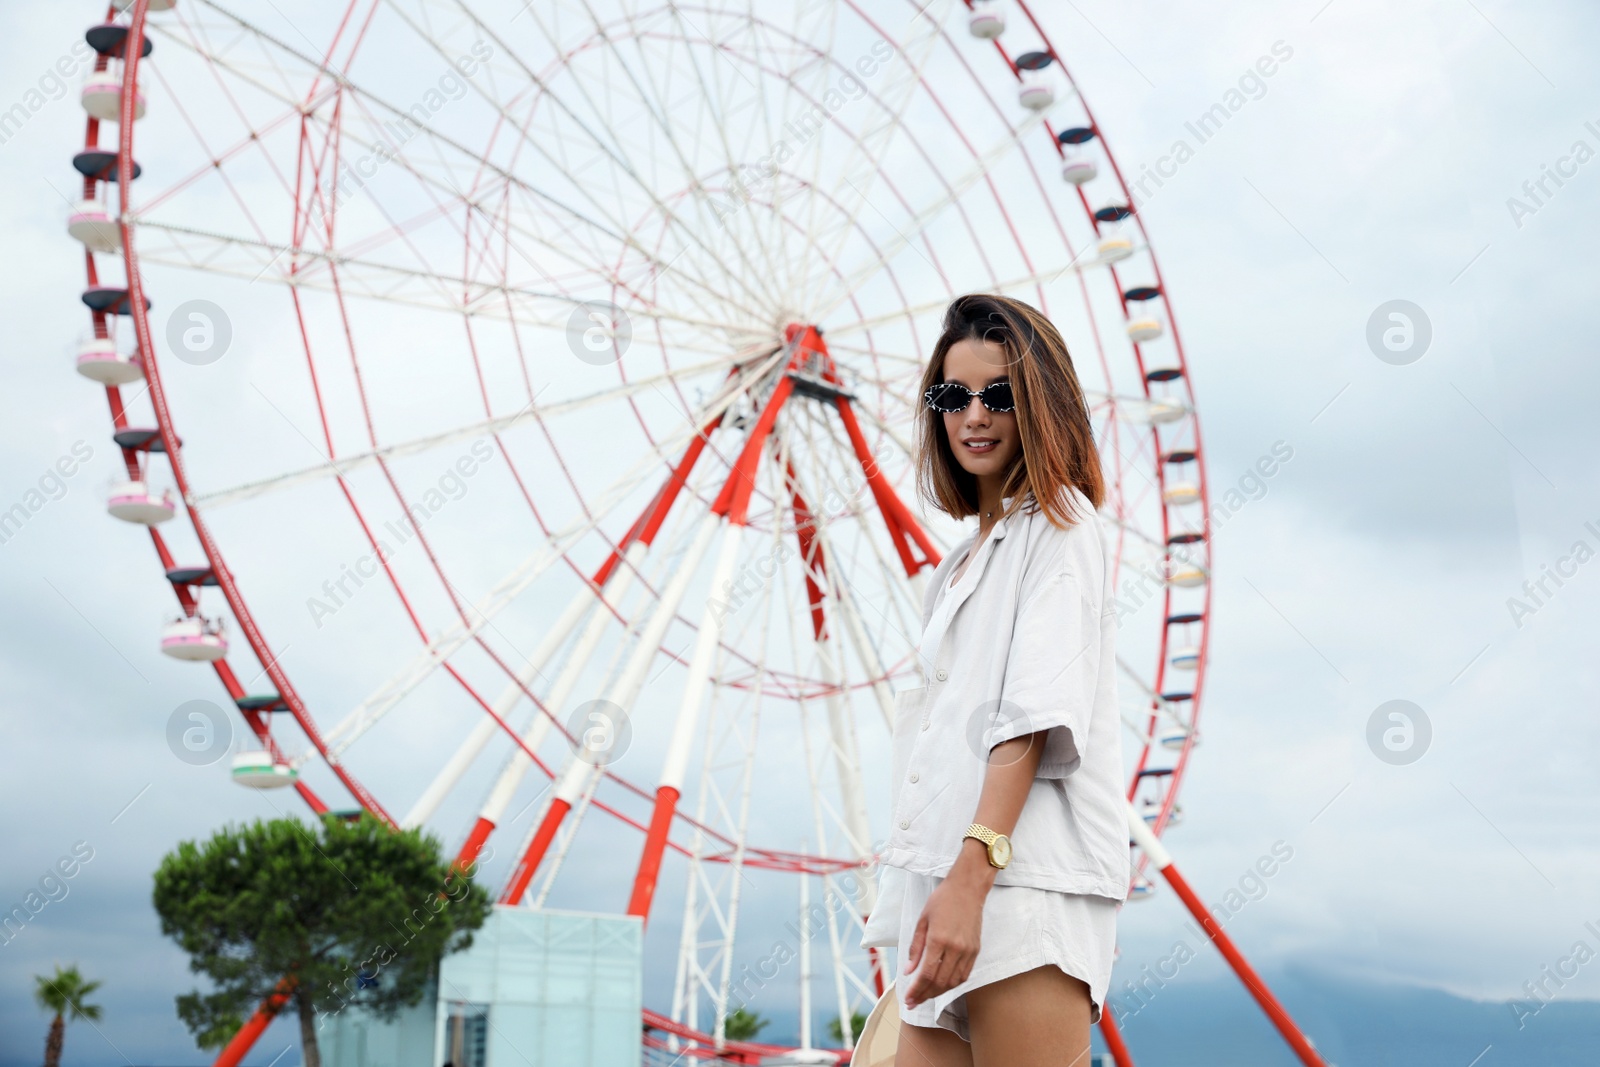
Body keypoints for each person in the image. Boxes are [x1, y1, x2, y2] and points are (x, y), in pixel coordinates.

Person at [858, 293, 1130, 1066]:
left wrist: (971, 882)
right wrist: (947, 889)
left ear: (1042, 403)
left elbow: (1030, 716)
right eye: (952, 395)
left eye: (999, 395)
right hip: (943, 892)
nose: (973, 415)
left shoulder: (1062, 526)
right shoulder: (956, 568)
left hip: (1021, 890)